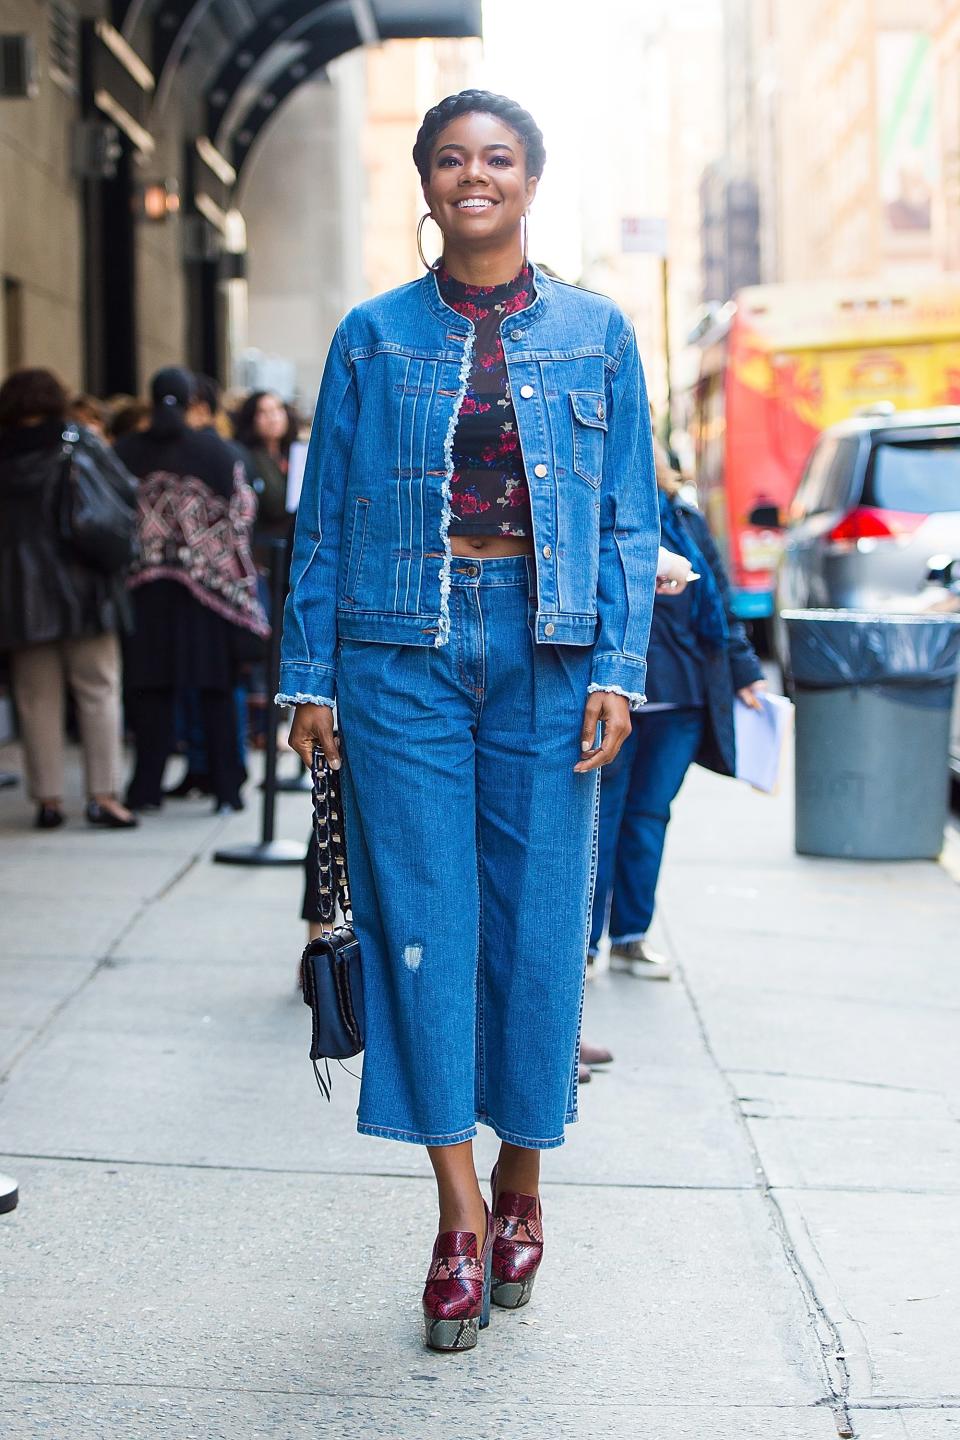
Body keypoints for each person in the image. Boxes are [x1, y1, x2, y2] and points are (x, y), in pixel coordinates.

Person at [281, 90, 660, 1353]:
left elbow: (624, 519)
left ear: (531, 182)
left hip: (550, 654)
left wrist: (616, 660)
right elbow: (324, 516)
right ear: (427, 184)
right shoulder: (373, 337)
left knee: (545, 927)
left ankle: (523, 1182)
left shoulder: (600, 333)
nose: (475, 176)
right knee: (423, 925)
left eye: (498, 158)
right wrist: (309, 679)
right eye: (452, 159)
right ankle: (452, 1215)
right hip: (401, 651)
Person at [589, 443, 765, 979]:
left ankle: (631, 937)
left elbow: (721, 598)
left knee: (650, 816)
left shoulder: (684, 517)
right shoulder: (597, 515)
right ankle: (584, 943)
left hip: (683, 697)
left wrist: (745, 670)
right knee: (599, 820)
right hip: (612, 693)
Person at [115, 367, 268, 813]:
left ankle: (144, 791)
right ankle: (227, 790)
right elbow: (242, 519)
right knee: (216, 692)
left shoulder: (125, 451)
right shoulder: (221, 453)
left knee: (150, 694)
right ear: (189, 400)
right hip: (211, 595)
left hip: (146, 593)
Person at [0, 368, 138, 829]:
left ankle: (48, 800)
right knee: (98, 691)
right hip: (85, 588)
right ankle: (104, 795)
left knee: (36, 699)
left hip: (20, 594)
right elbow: (122, 497)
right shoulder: (77, 440)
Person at [233, 389, 296, 544]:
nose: (273, 417)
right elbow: (274, 505)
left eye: (277, 409)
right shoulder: (247, 456)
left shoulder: (293, 452)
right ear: (252, 418)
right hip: (264, 543)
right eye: (263, 412)